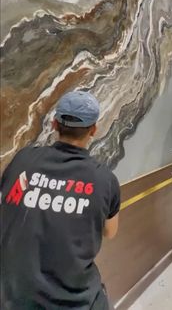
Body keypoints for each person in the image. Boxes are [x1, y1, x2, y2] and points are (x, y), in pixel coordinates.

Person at [0, 90, 120, 310]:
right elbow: (110, 232)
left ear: (54, 124)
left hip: (13, 295)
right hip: (75, 302)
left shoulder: (23, 159)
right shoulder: (104, 179)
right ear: (94, 129)